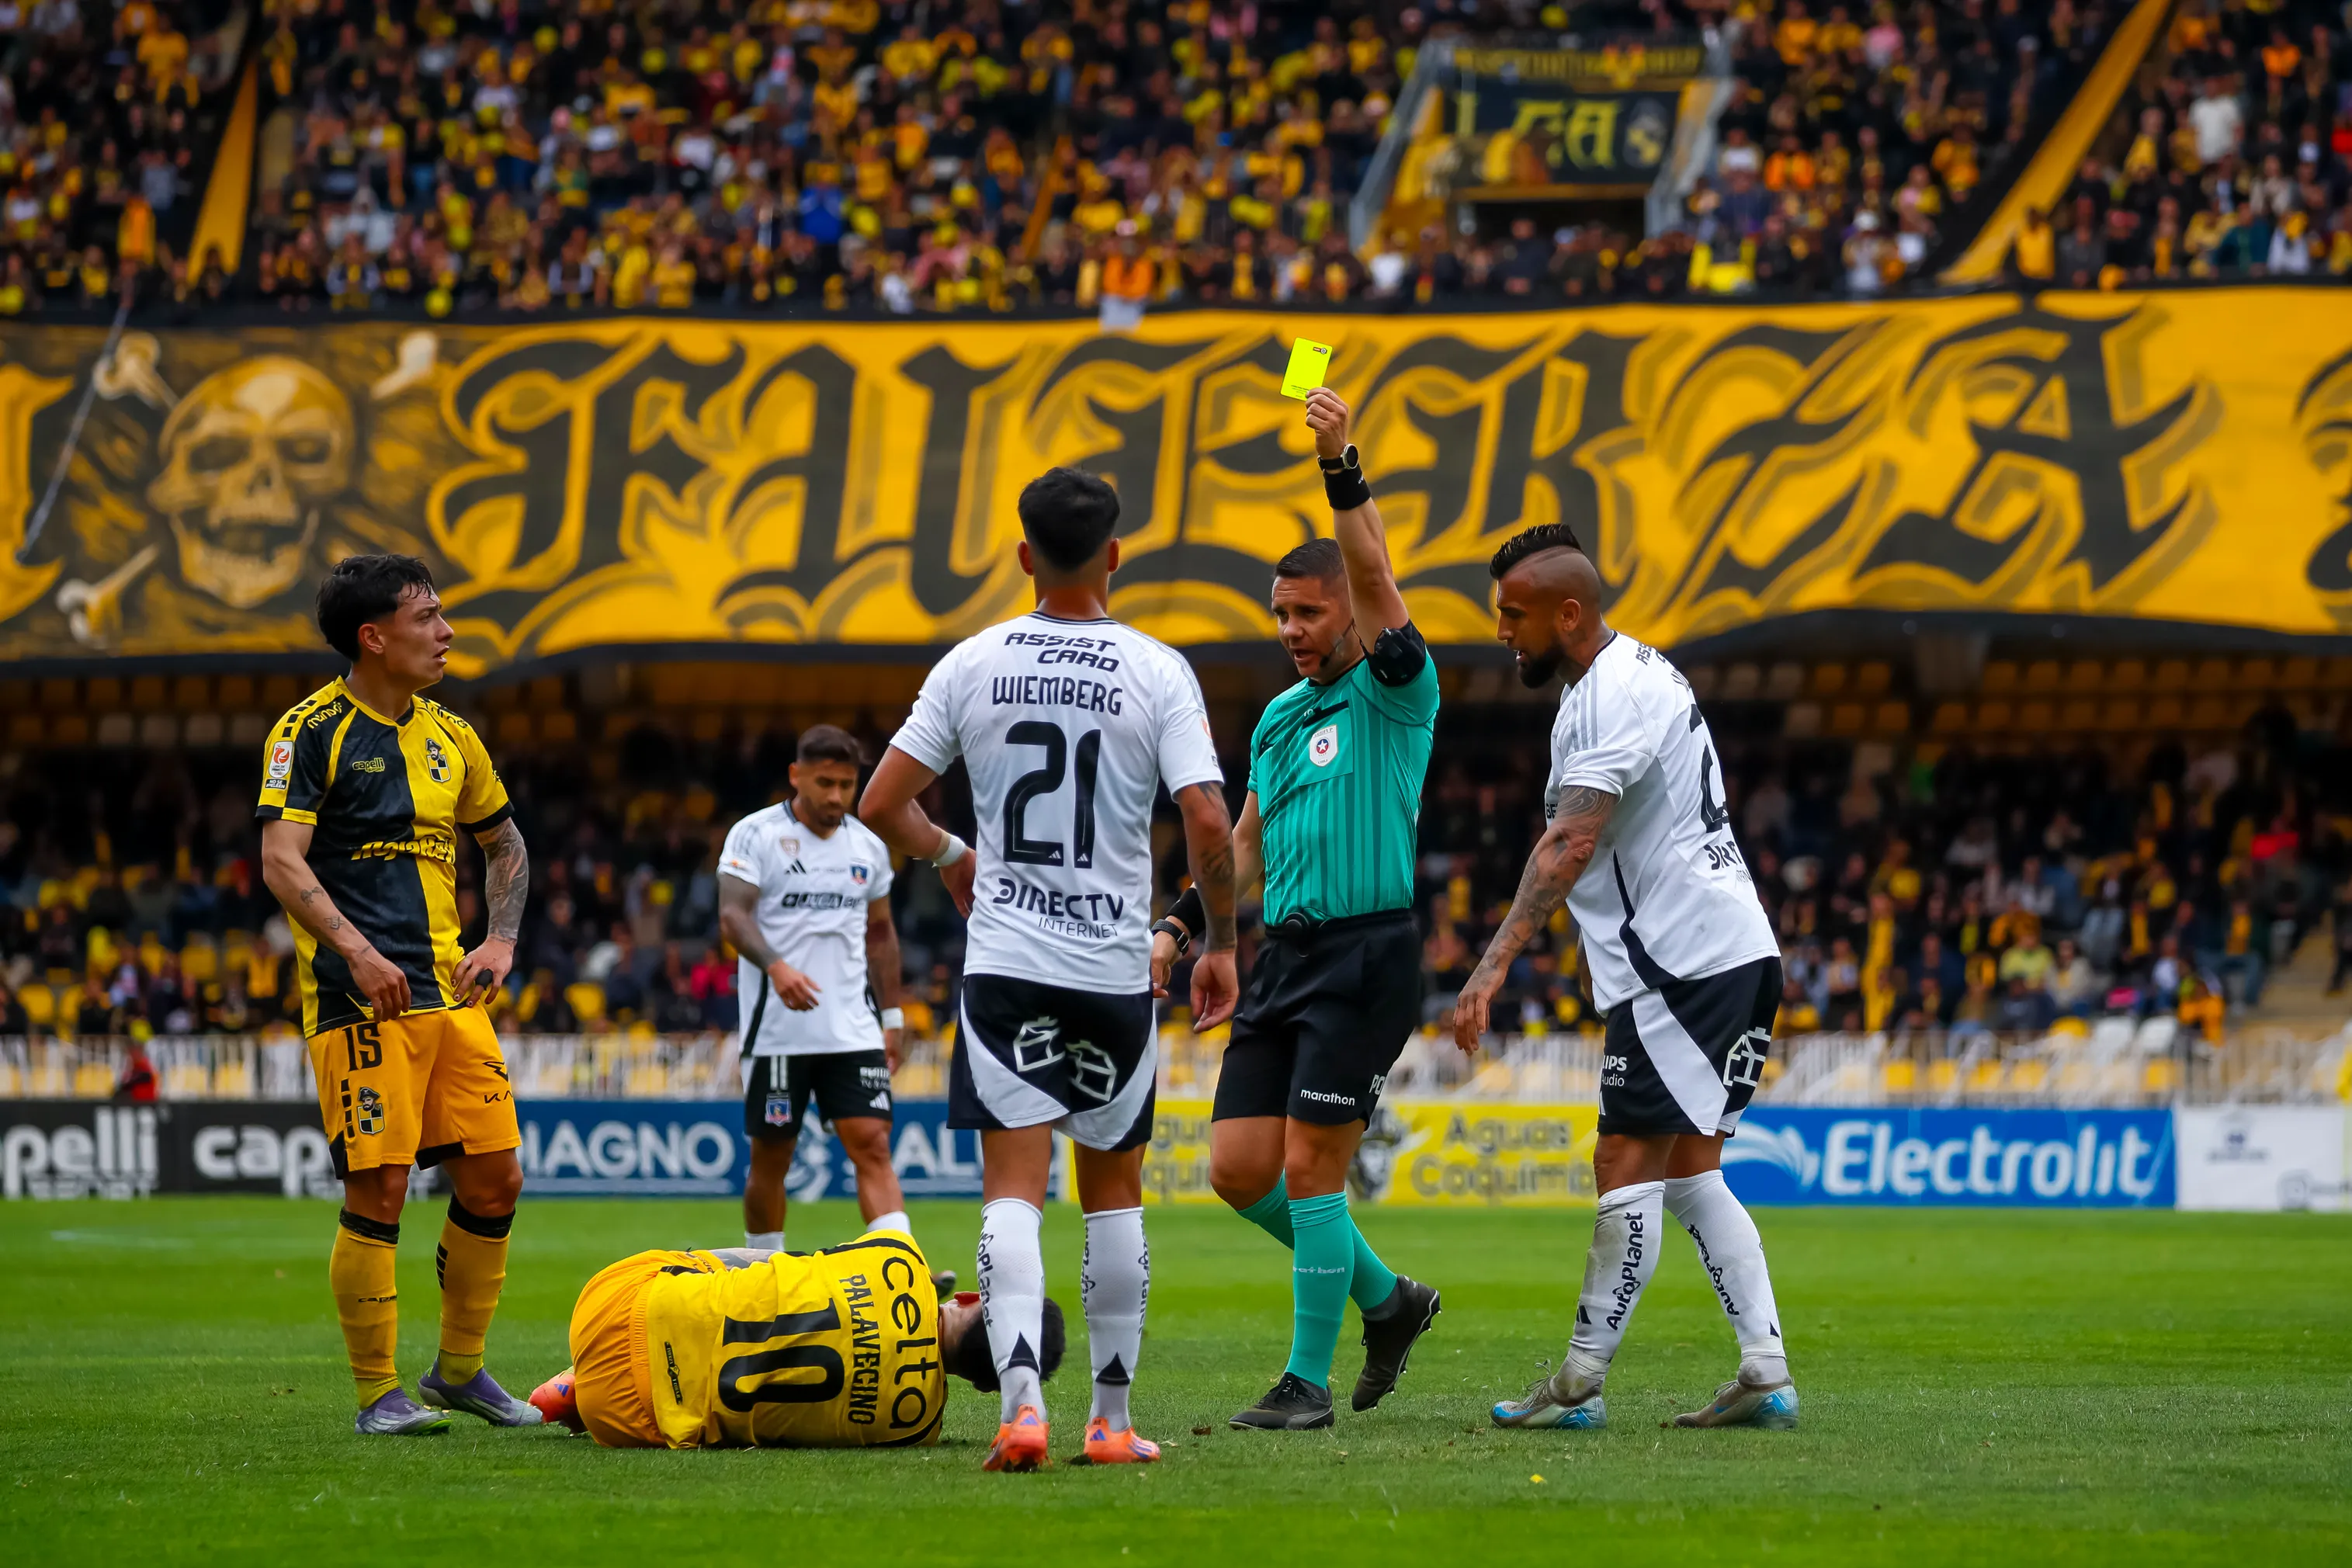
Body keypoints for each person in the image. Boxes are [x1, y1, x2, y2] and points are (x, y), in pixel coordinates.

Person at [859, 466, 1240, 1473]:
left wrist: (951, 859)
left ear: (1023, 555)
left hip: (1008, 964)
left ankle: (1020, 1408)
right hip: (1115, 967)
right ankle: (1109, 1424)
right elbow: (1207, 819)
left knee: (1010, 1195)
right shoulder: (1159, 669)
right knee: (1113, 1193)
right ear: (1114, 556)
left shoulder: (971, 664)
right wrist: (1224, 943)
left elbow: (881, 803)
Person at [1459, 522, 1797, 1433]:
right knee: (1690, 1169)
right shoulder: (1615, 681)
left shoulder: (1611, 695)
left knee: (1624, 1160)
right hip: (1724, 952)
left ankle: (1576, 1384)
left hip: (1681, 967)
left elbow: (1571, 840)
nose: (1503, 631)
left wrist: (1489, 970)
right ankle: (1765, 1369)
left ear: (1569, 613)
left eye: (1514, 614)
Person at [1149, 387, 1441, 1433]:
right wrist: (1187, 927)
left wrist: (1340, 463)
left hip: (1369, 955)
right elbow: (1243, 845)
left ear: (1350, 613)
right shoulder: (1276, 718)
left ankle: (1304, 1383)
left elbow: (1377, 572)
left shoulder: (1397, 690)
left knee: (1315, 1168)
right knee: (1236, 1170)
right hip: (1285, 959)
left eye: (1307, 614)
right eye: (1279, 615)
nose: (1290, 631)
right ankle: (1388, 1301)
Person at [256, 554, 539, 1436]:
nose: (446, 631)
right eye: (427, 617)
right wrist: (356, 950)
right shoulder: (309, 732)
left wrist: (501, 937)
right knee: (378, 1189)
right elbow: (280, 859)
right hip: (359, 1003)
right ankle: (378, 1394)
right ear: (373, 637)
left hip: (449, 1002)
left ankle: (459, 1371)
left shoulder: (453, 736)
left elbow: (503, 843)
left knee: (496, 1180)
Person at [527, 1224, 1063, 1449]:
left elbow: (791, 1265)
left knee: (776, 1269)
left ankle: (579, 1374)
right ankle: (582, 1396)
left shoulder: (901, 1258)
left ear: (973, 1298)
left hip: (612, 1307)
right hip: (627, 1419)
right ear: (987, 1387)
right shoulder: (915, 1428)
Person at [718, 724, 934, 1276]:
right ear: (796, 776)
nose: (836, 796)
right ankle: (762, 1273)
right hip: (778, 1033)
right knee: (773, 1156)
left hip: (853, 1028)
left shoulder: (867, 845)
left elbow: (881, 936)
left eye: (846, 784)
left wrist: (892, 1016)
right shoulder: (755, 835)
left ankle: (902, 1270)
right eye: (824, 783)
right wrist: (777, 966)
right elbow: (733, 916)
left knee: (874, 1145)